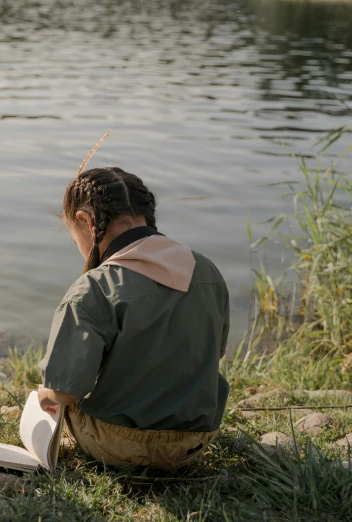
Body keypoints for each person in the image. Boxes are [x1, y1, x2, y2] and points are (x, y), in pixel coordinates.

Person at [37, 167, 229, 471]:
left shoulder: (94, 288)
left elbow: (66, 391)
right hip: (192, 443)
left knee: (58, 389)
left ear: (85, 221)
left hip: (119, 447)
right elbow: (213, 352)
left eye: (75, 238)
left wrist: (43, 393)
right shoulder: (207, 271)